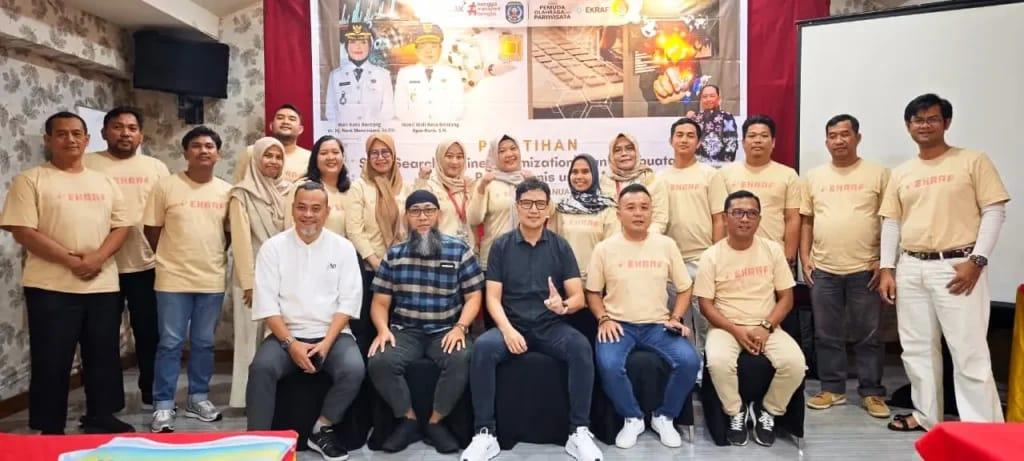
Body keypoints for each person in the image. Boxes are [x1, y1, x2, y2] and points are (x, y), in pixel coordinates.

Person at [876, 94, 1009, 432]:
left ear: (946, 122)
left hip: (958, 267)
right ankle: (926, 416)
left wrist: (977, 260)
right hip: (911, 266)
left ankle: (983, 427)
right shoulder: (902, 173)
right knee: (916, 349)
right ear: (908, 126)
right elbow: (891, 221)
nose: (925, 125)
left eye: (932, 119)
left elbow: (994, 211)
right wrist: (887, 268)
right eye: (918, 120)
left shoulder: (972, 161)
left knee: (968, 350)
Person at [1, 111, 132, 434]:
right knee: (51, 358)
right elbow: (23, 230)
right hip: (50, 286)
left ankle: (101, 416)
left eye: (76, 134)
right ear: (48, 140)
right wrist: (72, 261)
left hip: (101, 284)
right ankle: (50, 425)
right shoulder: (31, 180)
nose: (70, 139)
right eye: (61, 134)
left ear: (87, 140)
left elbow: (121, 226)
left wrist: (97, 258)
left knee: (103, 355)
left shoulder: (105, 181)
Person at [461, 179, 603, 461]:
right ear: (517, 207)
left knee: (580, 347)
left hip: (551, 326)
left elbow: (578, 297)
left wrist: (563, 306)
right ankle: (485, 433)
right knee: (483, 348)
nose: (534, 210)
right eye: (527, 203)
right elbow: (492, 299)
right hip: (511, 325)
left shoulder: (560, 246)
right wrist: (507, 330)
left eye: (540, 204)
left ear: (548, 208)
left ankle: (579, 430)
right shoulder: (501, 246)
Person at [246, 181, 365, 461]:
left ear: (327, 212)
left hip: (332, 334)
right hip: (285, 334)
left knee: (354, 368)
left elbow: (348, 302)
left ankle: (321, 429)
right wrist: (291, 344)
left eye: (315, 208)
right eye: (302, 208)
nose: (308, 215)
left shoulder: (343, 247)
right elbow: (267, 305)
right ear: (293, 209)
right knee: (261, 368)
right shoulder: (273, 248)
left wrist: (326, 343)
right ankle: (257, 443)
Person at [366, 190, 485, 453]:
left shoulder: (459, 250)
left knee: (462, 358)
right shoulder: (395, 254)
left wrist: (460, 327)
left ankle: (435, 422)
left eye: (429, 210)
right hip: (405, 331)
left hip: (446, 330)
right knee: (379, 360)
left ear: (438, 215)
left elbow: (473, 296)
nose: (423, 217)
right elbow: (380, 302)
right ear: (407, 217)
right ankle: (408, 420)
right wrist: (383, 330)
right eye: (416, 211)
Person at [586, 184, 701, 449]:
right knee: (608, 365)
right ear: (619, 213)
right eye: (631, 208)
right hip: (619, 325)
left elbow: (685, 288)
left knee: (689, 361)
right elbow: (592, 292)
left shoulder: (666, 245)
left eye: (644, 207)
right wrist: (603, 318)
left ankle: (665, 416)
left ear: (651, 212)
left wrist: (676, 317)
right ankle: (633, 417)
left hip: (658, 326)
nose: (638, 213)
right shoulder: (604, 248)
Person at [695, 190, 805, 447]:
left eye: (751, 213)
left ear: (759, 219)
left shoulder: (773, 250)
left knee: (796, 364)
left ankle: (769, 411)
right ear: (725, 218)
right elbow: (705, 305)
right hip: (725, 327)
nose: (744, 219)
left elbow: (786, 299)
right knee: (718, 362)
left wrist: (766, 326)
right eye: (738, 213)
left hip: (767, 325)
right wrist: (735, 330)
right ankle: (736, 411)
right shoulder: (711, 255)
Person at [800, 114, 890, 419]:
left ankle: (872, 391)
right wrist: (804, 258)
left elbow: (889, 220)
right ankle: (832, 388)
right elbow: (807, 221)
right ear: (826, 141)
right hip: (824, 268)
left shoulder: (878, 174)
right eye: (832, 136)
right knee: (826, 334)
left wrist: (883, 261)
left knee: (868, 335)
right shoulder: (814, 176)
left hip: (865, 268)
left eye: (845, 134)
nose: (839, 141)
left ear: (857, 138)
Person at [144, 126, 233, 433]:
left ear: (218, 153)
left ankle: (198, 398)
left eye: (209, 146)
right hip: (172, 279)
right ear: (185, 153)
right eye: (196, 146)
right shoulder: (166, 187)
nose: (203, 150)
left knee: (204, 343)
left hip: (211, 279)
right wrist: (172, 258)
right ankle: (163, 403)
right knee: (170, 343)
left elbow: (227, 235)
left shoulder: (227, 191)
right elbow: (152, 230)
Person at [83, 106, 170, 411]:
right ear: (104, 132)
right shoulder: (87, 164)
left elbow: (166, 212)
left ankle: (152, 393)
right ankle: (106, 402)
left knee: (150, 333)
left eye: (132, 128)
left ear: (141, 136)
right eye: (118, 127)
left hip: (147, 264)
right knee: (101, 337)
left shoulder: (156, 168)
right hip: (101, 265)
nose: (125, 133)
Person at [227, 137, 295, 408]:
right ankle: (246, 400)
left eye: (278, 157)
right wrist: (249, 283)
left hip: (282, 275)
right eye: (268, 156)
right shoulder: (241, 194)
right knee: (249, 340)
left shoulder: (289, 191)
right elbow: (240, 242)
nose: (273, 161)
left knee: (278, 337)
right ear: (255, 159)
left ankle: (276, 396)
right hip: (252, 277)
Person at [657, 118, 728, 352]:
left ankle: (706, 369)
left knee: (705, 321)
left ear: (698, 142)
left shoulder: (711, 175)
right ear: (671, 140)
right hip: (671, 261)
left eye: (690, 135)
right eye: (679, 135)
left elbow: (719, 219)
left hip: (703, 258)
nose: (684, 139)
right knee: (678, 323)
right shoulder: (660, 178)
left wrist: (716, 257)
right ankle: (687, 368)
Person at [347, 133, 413, 337]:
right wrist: (376, 263)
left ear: (393, 156)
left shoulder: (405, 187)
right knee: (368, 328)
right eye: (374, 153)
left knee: (399, 326)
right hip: (370, 269)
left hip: (401, 268)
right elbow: (354, 230)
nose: (380, 157)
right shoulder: (359, 187)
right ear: (367, 157)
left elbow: (412, 226)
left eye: (385, 152)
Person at [719, 115, 802, 266]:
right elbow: (720, 218)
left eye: (764, 136)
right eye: (752, 136)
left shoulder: (788, 175)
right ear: (743, 142)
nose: (757, 140)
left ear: (773, 142)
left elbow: (792, 219)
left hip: (774, 256)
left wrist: (789, 258)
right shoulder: (725, 174)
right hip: (733, 256)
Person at [549, 153, 618, 281]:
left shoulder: (608, 209)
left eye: (585, 171)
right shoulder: (561, 208)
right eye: (575, 172)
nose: (579, 176)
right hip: (565, 281)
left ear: (594, 175)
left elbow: (612, 250)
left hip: (597, 282)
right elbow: (552, 247)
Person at [467, 135, 528, 272]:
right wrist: (482, 187)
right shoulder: (487, 183)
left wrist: (536, 184)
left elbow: (548, 213)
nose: (509, 154)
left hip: (526, 256)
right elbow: (474, 219)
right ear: (494, 155)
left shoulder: (528, 181)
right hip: (494, 257)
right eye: (502, 151)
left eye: (513, 148)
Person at [325, 22, 394, 123]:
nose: (358, 47)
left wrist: (370, 130)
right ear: (346, 47)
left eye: (363, 42)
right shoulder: (335, 76)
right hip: (345, 132)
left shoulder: (383, 75)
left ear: (370, 46)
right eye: (353, 42)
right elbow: (331, 113)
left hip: (374, 132)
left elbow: (388, 113)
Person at [599, 133, 668, 233]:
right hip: (611, 241)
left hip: (644, 240)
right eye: (617, 150)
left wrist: (638, 239)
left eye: (629, 148)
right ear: (611, 156)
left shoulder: (652, 180)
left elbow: (659, 221)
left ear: (636, 152)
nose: (624, 153)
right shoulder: (603, 182)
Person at [394, 23, 464, 121]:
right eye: (423, 46)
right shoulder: (405, 74)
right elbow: (400, 110)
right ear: (416, 50)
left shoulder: (452, 74)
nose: (428, 51)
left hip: (445, 127)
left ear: (441, 49)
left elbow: (458, 109)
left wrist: (438, 126)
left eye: (433, 46)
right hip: (414, 128)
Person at [287, 135, 354, 237]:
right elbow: (290, 228)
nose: (330, 157)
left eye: (335, 152)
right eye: (324, 153)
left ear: (343, 157)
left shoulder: (351, 190)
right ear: (315, 159)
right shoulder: (302, 187)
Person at [415, 139, 476, 246]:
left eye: (459, 157)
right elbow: (417, 217)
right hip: (440, 251)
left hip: (468, 251)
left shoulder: (470, 186)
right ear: (439, 158)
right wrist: (421, 182)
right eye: (449, 156)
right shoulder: (430, 186)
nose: (454, 162)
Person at [233, 104, 312, 184]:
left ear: (300, 129)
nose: (285, 122)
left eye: (292, 119)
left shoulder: (309, 158)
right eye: (280, 118)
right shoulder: (252, 152)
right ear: (271, 126)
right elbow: (239, 185)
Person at [687, 85, 739, 163]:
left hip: (721, 165)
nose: (708, 99)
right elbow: (689, 144)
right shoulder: (694, 118)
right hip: (698, 165)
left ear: (718, 99)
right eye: (705, 96)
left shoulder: (727, 117)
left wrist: (723, 164)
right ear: (701, 100)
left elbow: (731, 142)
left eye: (712, 96)